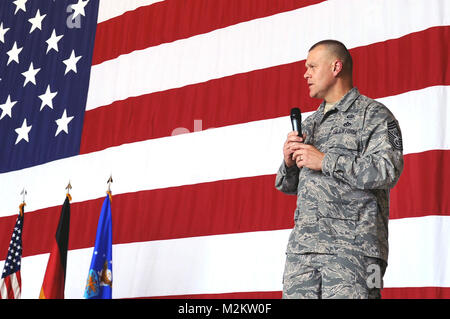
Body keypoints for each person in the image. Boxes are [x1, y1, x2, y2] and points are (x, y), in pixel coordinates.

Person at [275, 40, 404, 299]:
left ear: (336, 67)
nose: (305, 73)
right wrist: (288, 163)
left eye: (312, 66)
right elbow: (288, 186)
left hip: (356, 252)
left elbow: (388, 170)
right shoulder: (309, 124)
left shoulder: (377, 116)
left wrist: (326, 161)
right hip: (304, 253)